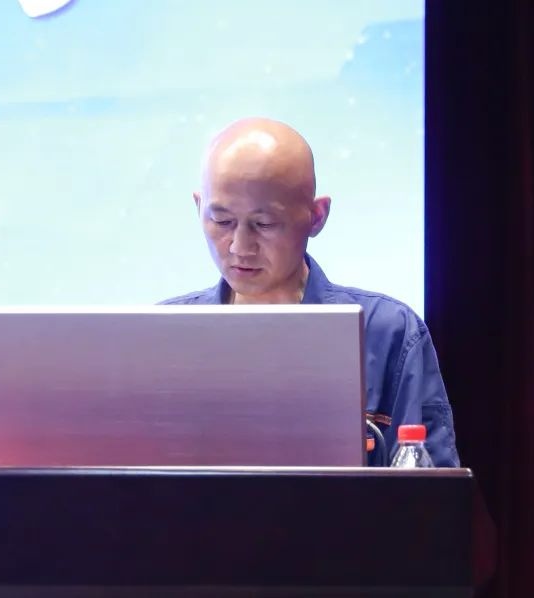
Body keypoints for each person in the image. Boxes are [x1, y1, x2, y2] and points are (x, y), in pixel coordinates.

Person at [161, 117, 459, 467]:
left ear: (317, 216)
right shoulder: (164, 336)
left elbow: (430, 489)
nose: (240, 246)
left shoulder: (386, 332)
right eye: (222, 221)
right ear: (199, 207)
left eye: (264, 224)